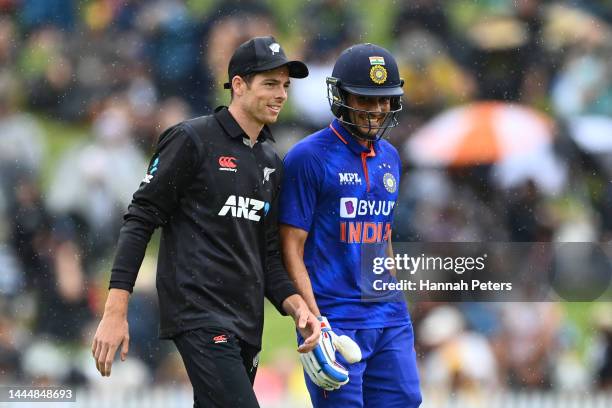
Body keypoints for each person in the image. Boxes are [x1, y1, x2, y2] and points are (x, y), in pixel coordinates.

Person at [91, 36, 320, 408]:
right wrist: (116, 312)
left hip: (247, 324)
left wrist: (297, 307)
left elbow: (268, 256)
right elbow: (139, 220)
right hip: (199, 315)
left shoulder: (271, 162)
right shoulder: (191, 139)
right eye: (270, 84)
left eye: (285, 86)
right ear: (239, 85)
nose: (281, 94)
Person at [279, 43, 422, 407]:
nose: (377, 111)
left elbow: (382, 233)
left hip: (387, 313)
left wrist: (395, 298)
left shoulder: (390, 157)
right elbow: (290, 247)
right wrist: (313, 319)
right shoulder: (308, 158)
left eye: (385, 100)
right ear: (341, 97)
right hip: (336, 315)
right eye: (366, 100)